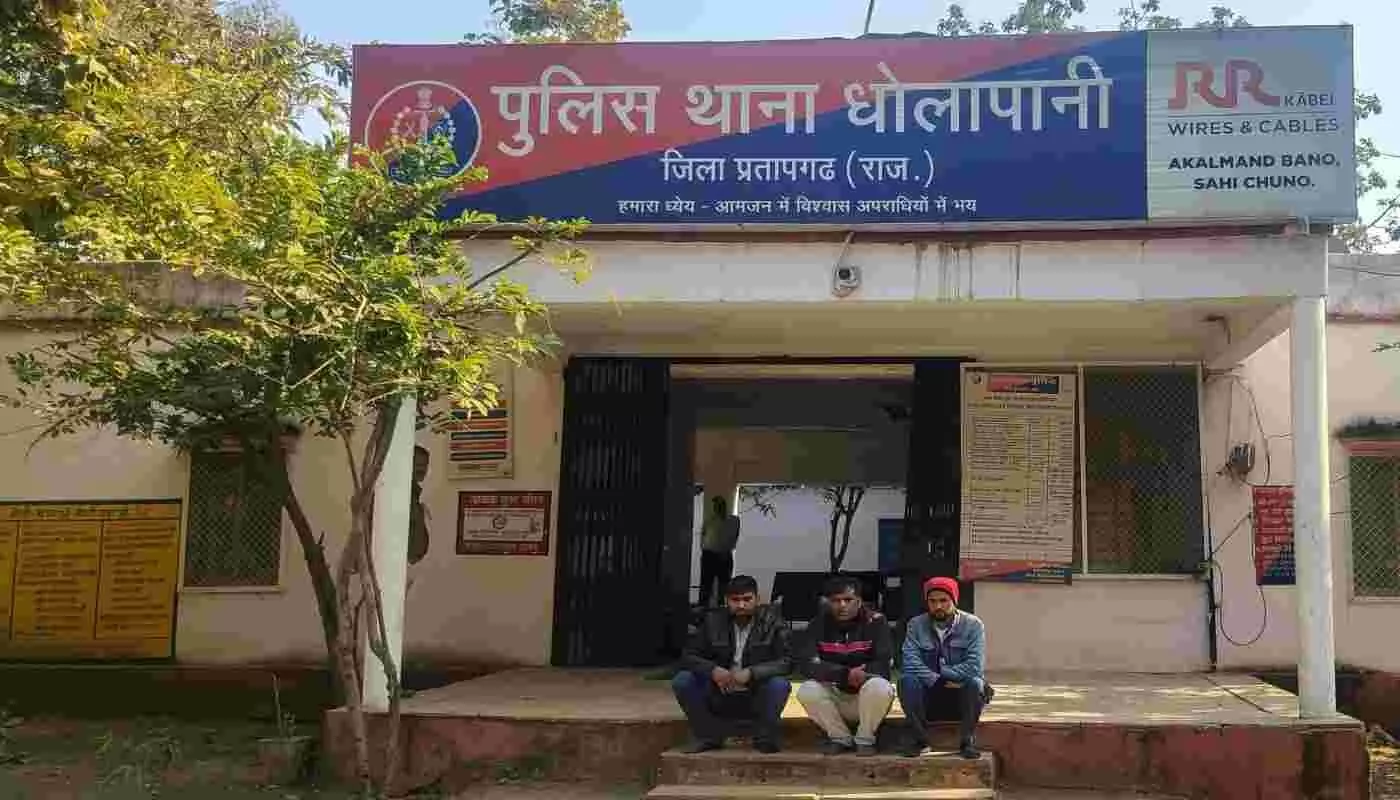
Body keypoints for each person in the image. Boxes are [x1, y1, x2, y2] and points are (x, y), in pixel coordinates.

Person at [672, 575, 792, 753]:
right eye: (735, 600)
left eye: (747, 599)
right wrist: (713, 670)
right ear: (726, 600)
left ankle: (764, 737)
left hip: (755, 690)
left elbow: (787, 662)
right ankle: (707, 735)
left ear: (757, 599)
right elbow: (688, 656)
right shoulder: (712, 621)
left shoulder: (774, 622)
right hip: (719, 689)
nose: (741, 605)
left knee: (779, 685)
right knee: (683, 680)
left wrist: (752, 673)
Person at [795, 575, 896, 756]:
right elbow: (807, 664)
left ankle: (865, 739)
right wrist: (844, 674)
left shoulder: (876, 622)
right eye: (836, 600)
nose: (842, 605)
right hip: (835, 696)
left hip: (866, 698)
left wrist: (863, 673)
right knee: (807, 690)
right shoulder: (817, 624)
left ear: (859, 601)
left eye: (848, 600)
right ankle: (840, 738)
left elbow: (884, 662)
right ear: (827, 602)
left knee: (880, 686)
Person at [897, 576, 994, 760]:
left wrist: (944, 674)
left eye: (944, 600)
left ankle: (967, 741)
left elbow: (974, 666)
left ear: (954, 600)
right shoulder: (916, 625)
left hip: (960, 696)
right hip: (928, 695)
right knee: (906, 681)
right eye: (932, 601)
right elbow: (910, 662)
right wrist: (936, 680)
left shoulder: (973, 625)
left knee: (976, 683)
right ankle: (920, 740)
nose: (938, 606)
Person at [698, 494, 741, 607]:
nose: (716, 508)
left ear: (724, 506)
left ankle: (723, 607)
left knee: (724, 584)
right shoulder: (709, 520)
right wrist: (704, 548)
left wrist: (726, 549)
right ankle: (703, 607)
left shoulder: (733, 520)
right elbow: (703, 535)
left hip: (724, 555)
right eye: (715, 506)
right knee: (706, 584)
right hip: (709, 554)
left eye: (719, 505)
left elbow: (734, 536)